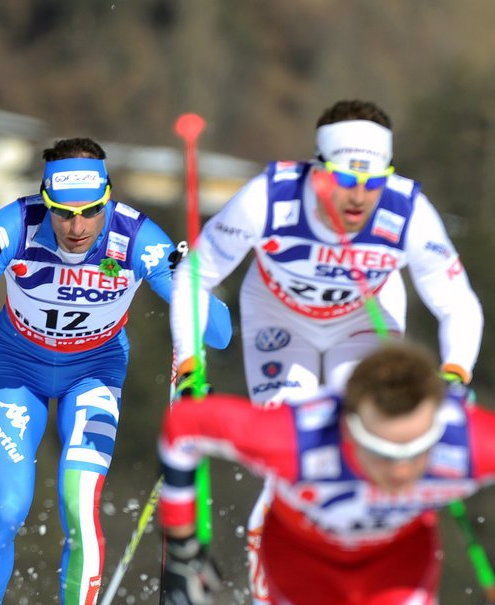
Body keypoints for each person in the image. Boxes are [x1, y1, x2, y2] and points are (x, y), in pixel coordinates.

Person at [168, 99, 484, 603]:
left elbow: (459, 307)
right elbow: (193, 278)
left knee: (367, 450)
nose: (359, 197)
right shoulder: (266, 199)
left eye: (373, 182)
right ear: (318, 170)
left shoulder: (407, 210)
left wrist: (453, 378)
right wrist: (188, 365)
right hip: (278, 322)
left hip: (364, 324)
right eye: (344, 179)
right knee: (289, 465)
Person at [0, 137, 232, 604]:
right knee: (7, 509)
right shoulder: (14, 227)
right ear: (44, 201)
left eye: (91, 211)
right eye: (63, 212)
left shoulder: (136, 238)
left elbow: (221, 333)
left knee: (80, 509)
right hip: (17, 369)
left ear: (108, 197)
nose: (77, 226)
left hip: (95, 373)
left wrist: (188, 279)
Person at [158, 341, 495, 604]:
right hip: (302, 564)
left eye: (419, 451)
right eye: (381, 453)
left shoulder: (471, 445)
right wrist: (183, 550)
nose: (401, 470)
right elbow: (184, 424)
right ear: (348, 427)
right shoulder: (297, 439)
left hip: (398, 565)